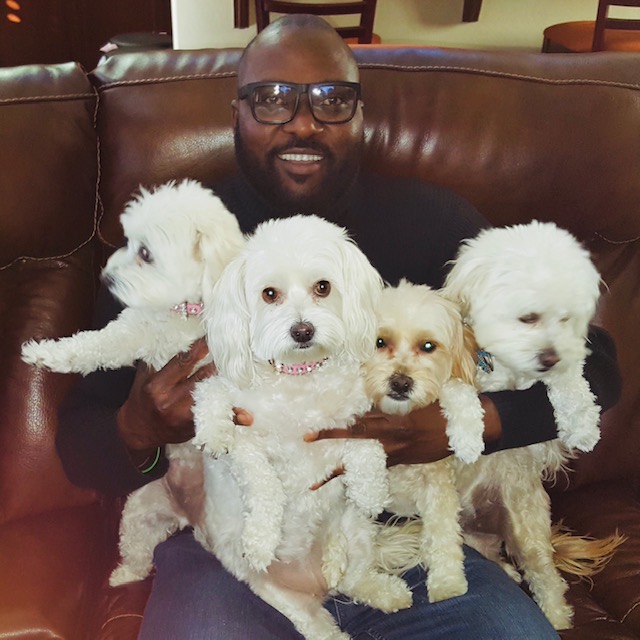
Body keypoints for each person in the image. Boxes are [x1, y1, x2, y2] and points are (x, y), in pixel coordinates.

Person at [56, 14, 620, 640]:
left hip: (397, 537)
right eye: (272, 100)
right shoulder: (173, 239)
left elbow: (595, 366)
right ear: (236, 112)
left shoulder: (431, 224)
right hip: (230, 541)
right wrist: (139, 428)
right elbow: (79, 444)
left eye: (331, 99)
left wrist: (474, 426)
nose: (303, 122)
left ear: (360, 114)